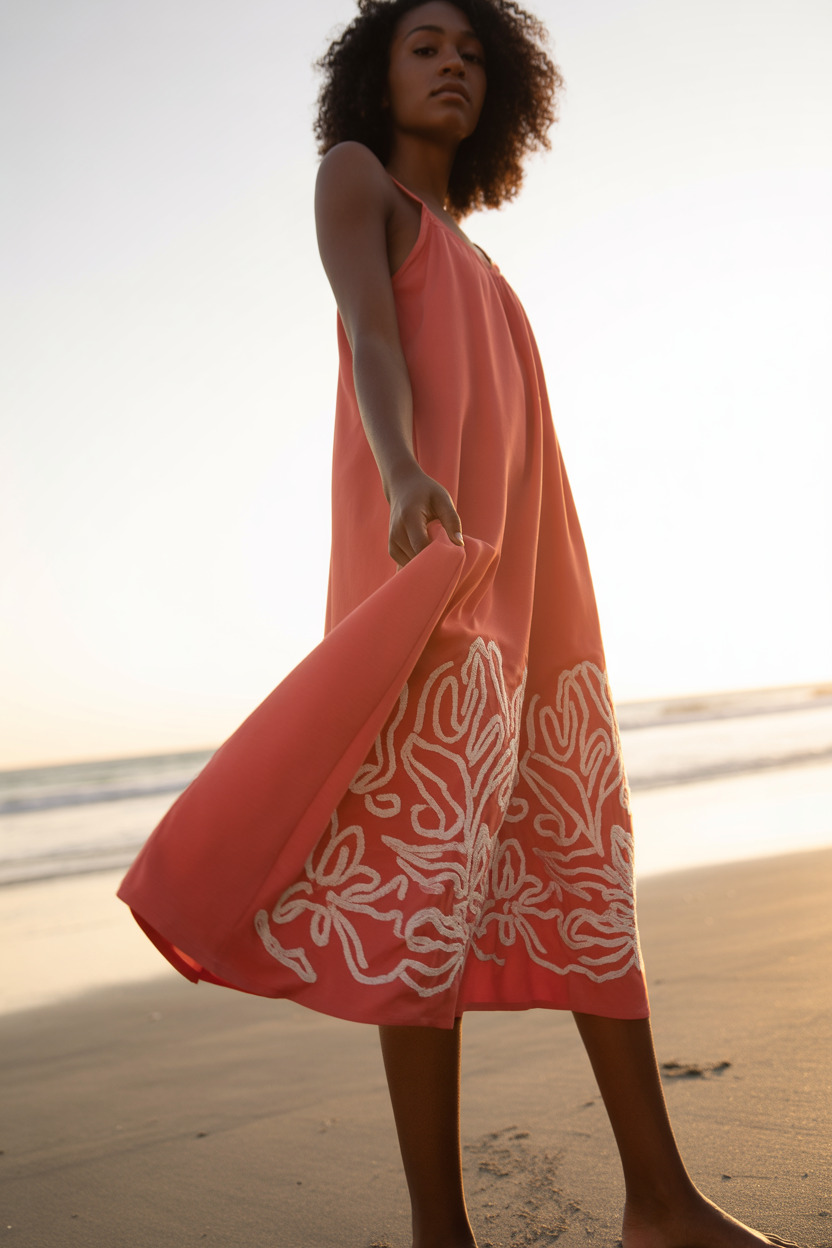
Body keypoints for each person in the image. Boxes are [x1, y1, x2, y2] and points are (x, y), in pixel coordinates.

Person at [119, 3, 798, 1246]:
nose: (451, 66)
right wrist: (399, 471)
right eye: (425, 46)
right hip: (430, 572)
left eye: (473, 53)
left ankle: (660, 1199)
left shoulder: (481, 256)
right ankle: (444, 1231)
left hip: (536, 596)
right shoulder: (355, 182)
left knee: (587, 869)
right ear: (374, 77)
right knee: (415, 896)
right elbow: (371, 341)